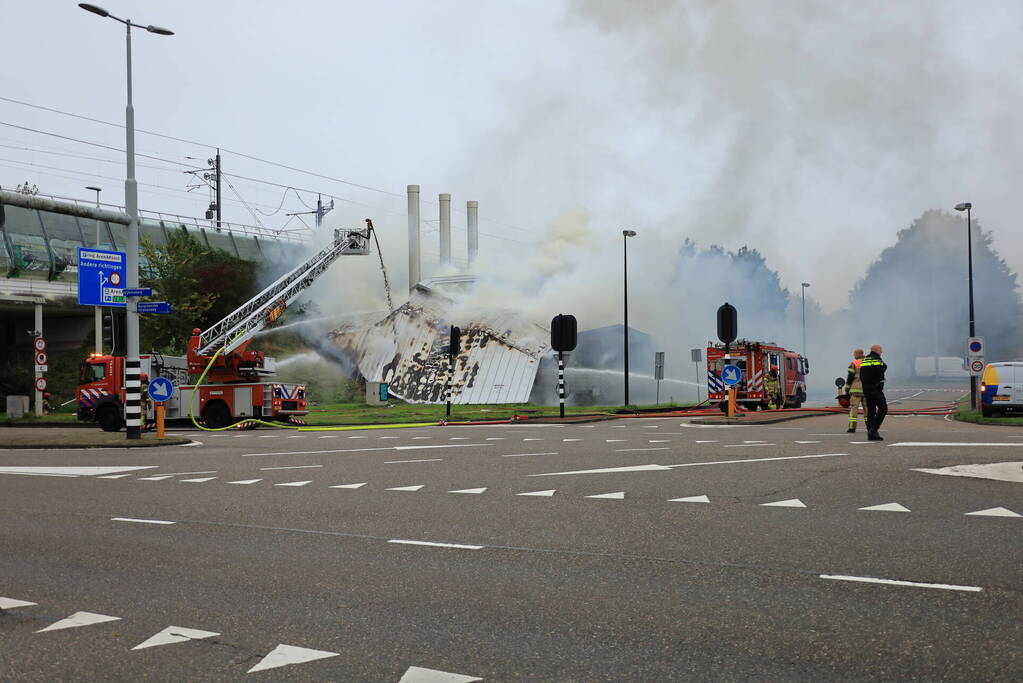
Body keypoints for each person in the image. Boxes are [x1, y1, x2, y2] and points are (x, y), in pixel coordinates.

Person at [859, 344, 888, 441]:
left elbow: (861, 375)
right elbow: (882, 369)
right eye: (881, 350)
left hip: (866, 389)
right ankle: (874, 429)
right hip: (875, 388)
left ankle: (870, 432)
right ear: (877, 350)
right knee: (883, 408)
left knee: (871, 410)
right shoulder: (877, 360)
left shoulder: (865, 360)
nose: (882, 352)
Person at [844, 348, 865, 433]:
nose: (853, 355)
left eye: (855, 353)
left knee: (853, 408)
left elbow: (850, 377)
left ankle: (852, 427)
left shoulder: (854, 363)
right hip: (867, 390)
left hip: (856, 390)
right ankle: (870, 426)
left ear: (859, 354)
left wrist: (847, 388)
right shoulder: (868, 362)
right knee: (868, 409)